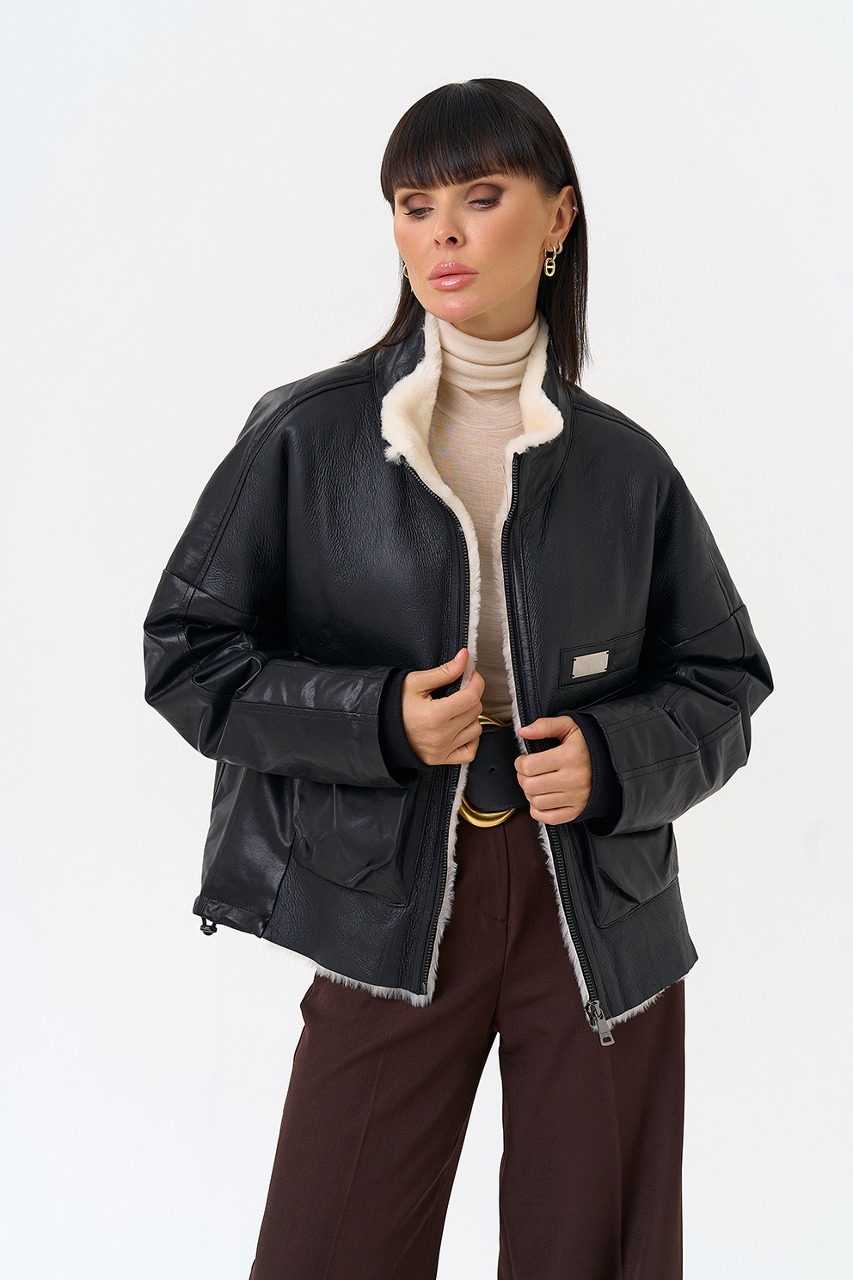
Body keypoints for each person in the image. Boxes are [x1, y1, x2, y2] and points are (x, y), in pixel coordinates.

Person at [142, 78, 773, 1280]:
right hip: (387, 884)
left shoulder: (626, 467)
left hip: (592, 899)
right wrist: (376, 719)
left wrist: (612, 758)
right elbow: (189, 653)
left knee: (592, 1252)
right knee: (330, 1246)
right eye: (413, 203)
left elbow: (722, 678)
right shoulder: (309, 434)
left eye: (480, 197)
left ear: (556, 217)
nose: (441, 232)